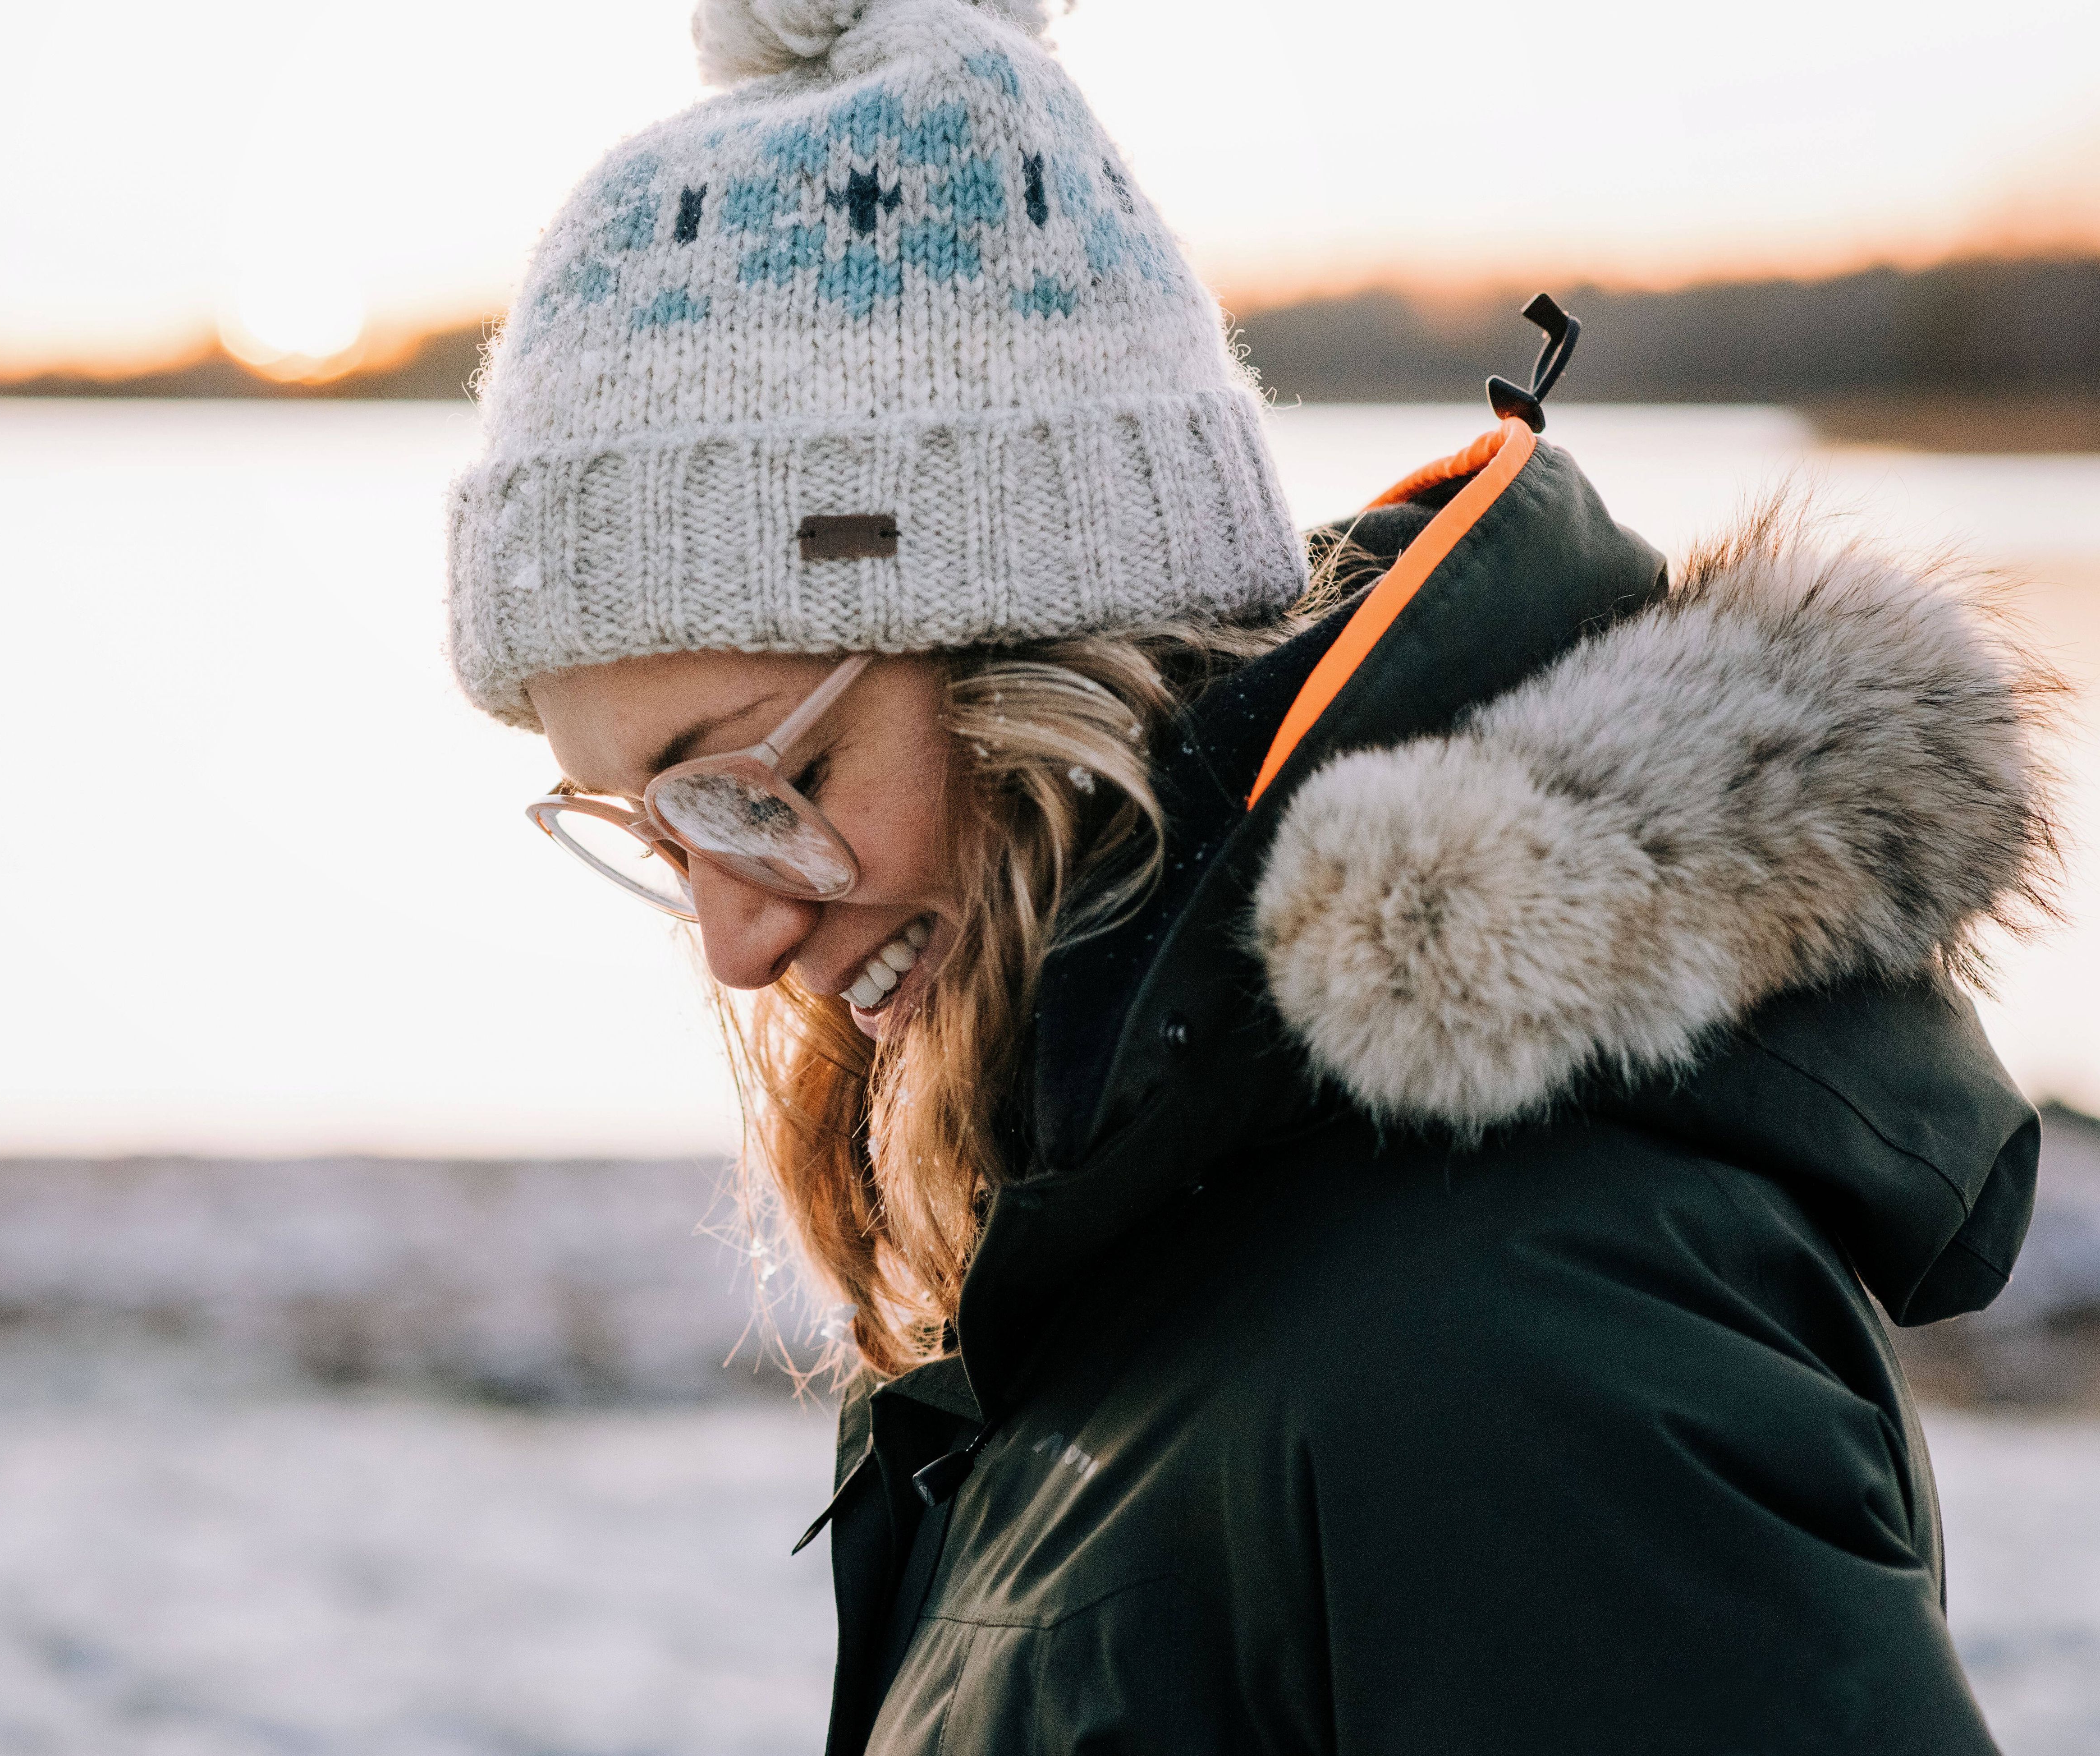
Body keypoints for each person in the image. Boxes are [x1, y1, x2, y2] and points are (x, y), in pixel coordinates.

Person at [444, 1, 2067, 1749]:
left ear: (1031, 649)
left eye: (765, 783)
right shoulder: (1133, 1225)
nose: (735, 932)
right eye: (651, 827)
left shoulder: (1511, 1334)